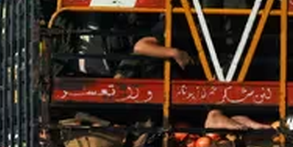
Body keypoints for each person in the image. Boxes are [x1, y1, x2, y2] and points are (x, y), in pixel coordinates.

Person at [114, 16, 272, 131]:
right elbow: (141, 46)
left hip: (208, 85)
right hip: (181, 88)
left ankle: (233, 115)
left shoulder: (225, 28)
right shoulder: (178, 21)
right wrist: (175, 52)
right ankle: (216, 115)